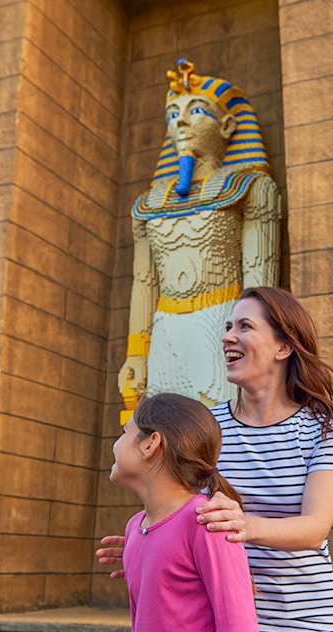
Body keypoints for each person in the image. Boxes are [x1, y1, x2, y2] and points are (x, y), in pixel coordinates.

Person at [99, 286, 333, 632]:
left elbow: (315, 527)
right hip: (232, 615)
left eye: (244, 326)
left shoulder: (325, 430)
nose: (227, 336)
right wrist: (149, 545)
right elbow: (184, 506)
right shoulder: (208, 426)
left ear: (283, 347)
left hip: (307, 623)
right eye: (226, 326)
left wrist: (244, 524)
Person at [117, 59, 281, 420]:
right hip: (164, 331)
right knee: (162, 435)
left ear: (226, 125)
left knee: (220, 433)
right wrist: (136, 355)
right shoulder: (148, 203)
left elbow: (260, 283)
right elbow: (144, 284)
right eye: (173, 113)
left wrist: (255, 348)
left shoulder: (250, 188)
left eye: (196, 111)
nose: (181, 121)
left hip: (222, 327)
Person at [110, 392, 259, 632]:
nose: (115, 444)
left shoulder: (206, 521)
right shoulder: (134, 529)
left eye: (124, 432)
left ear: (150, 444)